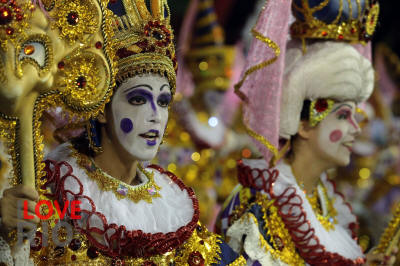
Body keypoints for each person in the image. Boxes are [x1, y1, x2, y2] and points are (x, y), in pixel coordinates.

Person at [0, 0, 245, 264]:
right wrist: (6, 232)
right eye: (138, 99)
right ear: (103, 109)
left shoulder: (171, 209)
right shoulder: (55, 198)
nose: (155, 116)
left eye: (163, 102)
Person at [218, 0, 397, 265]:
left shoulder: (323, 199)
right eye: (343, 116)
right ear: (302, 124)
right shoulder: (261, 201)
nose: (355, 128)